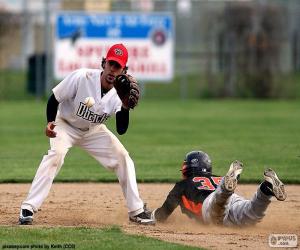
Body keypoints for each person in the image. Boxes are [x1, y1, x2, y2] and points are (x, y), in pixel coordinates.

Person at [19, 43, 154, 225]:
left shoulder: (119, 94)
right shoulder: (82, 77)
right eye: (111, 64)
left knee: (123, 157)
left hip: (93, 131)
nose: (113, 70)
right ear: (104, 63)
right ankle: (28, 207)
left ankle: (136, 211)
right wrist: (50, 121)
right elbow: (55, 98)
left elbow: (121, 130)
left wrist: (125, 106)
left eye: (118, 66)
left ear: (124, 70)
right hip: (65, 125)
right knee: (56, 155)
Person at [151, 150, 287, 226]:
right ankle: (265, 189)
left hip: (210, 204)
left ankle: (225, 190)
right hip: (234, 199)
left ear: (188, 167)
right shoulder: (217, 177)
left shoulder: (182, 185)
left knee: (217, 209)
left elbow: (162, 215)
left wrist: (150, 215)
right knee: (251, 215)